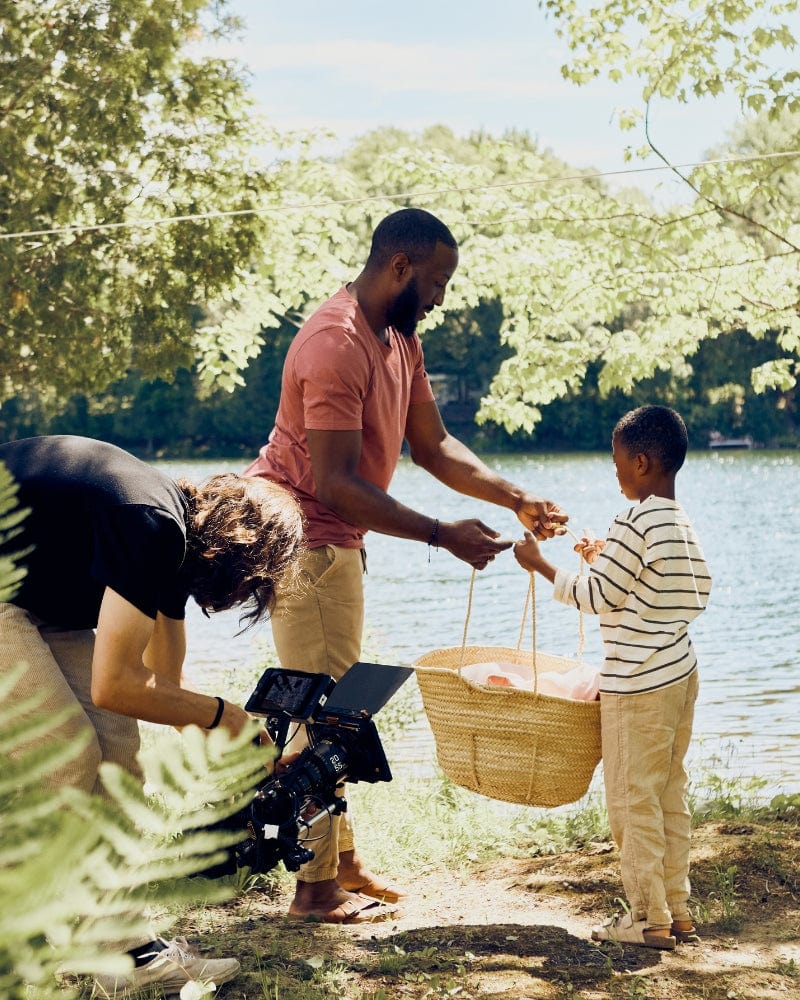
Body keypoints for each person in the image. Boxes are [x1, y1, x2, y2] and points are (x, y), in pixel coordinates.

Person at [243, 207, 569, 924]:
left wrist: (514, 497)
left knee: (336, 706)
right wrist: (437, 532)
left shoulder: (398, 339)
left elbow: (433, 444)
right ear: (399, 268)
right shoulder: (335, 343)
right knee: (321, 719)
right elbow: (332, 482)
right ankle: (314, 889)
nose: (442, 297)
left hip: (338, 544)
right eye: (437, 281)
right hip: (306, 542)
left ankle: (343, 859)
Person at [0, 434, 305, 995]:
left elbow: (161, 684)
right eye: (252, 584)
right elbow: (118, 683)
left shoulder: (174, 547)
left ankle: (124, 955)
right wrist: (228, 719)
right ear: (242, 551)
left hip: (36, 606)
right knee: (62, 754)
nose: (242, 597)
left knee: (117, 758)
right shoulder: (151, 526)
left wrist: (231, 744)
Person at [513, 405, 712, 950]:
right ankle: (678, 911)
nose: (616, 472)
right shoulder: (676, 520)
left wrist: (543, 565)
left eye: (619, 461)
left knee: (631, 800)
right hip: (678, 676)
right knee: (669, 793)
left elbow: (599, 597)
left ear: (643, 462)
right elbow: (661, 589)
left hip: (637, 687)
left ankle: (647, 919)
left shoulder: (633, 519)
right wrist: (603, 559)